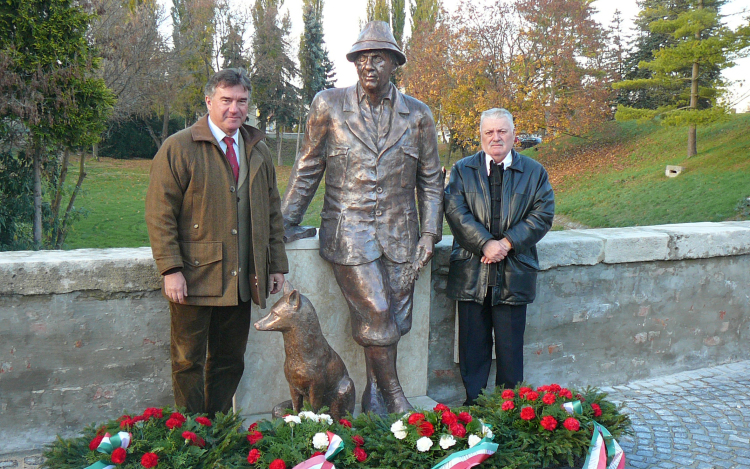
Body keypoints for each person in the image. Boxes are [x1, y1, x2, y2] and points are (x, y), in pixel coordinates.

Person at [281, 21, 443, 416]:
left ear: (393, 63)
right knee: (378, 311)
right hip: (349, 231)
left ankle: (372, 400)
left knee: (395, 324)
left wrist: (428, 233)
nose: (369, 66)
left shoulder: (418, 115)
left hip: (402, 236)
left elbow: (432, 181)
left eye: (378, 58)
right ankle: (395, 396)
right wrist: (282, 223)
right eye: (361, 59)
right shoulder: (329, 105)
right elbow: (307, 168)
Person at [145, 68, 289, 416]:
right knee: (187, 361)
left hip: (242, 277)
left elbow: (272, 214)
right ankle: (192, 435)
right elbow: (159, 213)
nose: (234, 109)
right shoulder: (178, 148)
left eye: (241, 101)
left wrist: (277, 266)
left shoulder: (258, 150)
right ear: (209, 101)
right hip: (192, 278)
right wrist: (171, 268)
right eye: (226, 100)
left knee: (229, 360)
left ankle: (218, 428)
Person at [444, 108, 554, 405]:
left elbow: (543, 214)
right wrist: (484, 244)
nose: (496, 137)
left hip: (513, 273)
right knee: (472, 349)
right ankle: (475, 410)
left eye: (502, 131)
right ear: (481, 136)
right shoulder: (462, 170)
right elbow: (455, 211)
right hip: (471, 272)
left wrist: (506, 243)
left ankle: (508, 410)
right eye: (489, 132)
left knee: (509, 350)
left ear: (513, 135)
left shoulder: (534, 172)